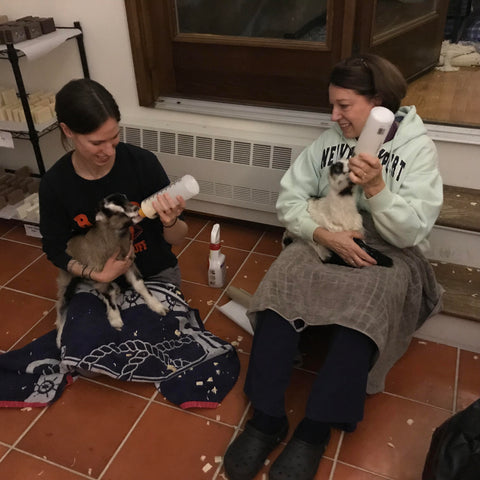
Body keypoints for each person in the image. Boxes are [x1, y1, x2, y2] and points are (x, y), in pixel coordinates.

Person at [223, 54, 443, 480]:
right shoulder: (328, 142)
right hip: (327, 228)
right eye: (332, 105)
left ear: (379, 102)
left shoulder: (417, 149)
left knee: (366, 306)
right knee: (284, 280)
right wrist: (321, 234)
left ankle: (315, 428)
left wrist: (378, 188)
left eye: (344, 105)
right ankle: (267, 416)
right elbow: (290, 200)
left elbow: (412, 231)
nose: (334, 115)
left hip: (390, 247)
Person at [39, 78, 188, 333]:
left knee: (160, 333)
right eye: (96, 142)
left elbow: (178, 237)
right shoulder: (55, 184)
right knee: (85, 350)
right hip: (93, 277)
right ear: (67, 131)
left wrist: (170, 222)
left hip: (152, 272)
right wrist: (98, 275)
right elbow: (55, 248)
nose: (108, 150)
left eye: (114, 137)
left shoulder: (143, 163)